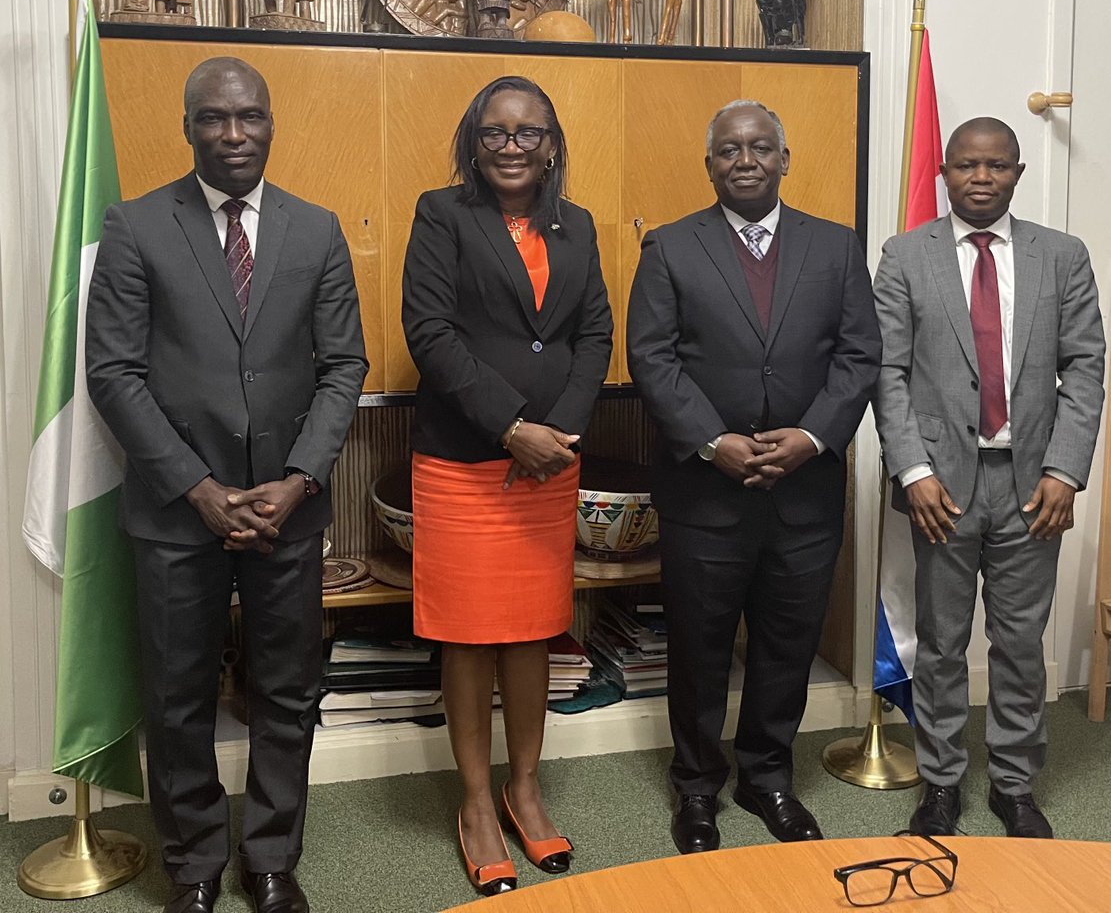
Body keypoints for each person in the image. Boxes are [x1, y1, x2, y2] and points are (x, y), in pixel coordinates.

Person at [85, 57, 368, 913]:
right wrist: (199, 489)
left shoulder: (314, 229)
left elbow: (343, 365)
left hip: (287, 509)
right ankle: (197, 864)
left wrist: (297, 478)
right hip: (177, 516)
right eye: (214, 118)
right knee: (177, 700)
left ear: (271, 122)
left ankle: (272, 858)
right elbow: (114, 373)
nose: (234, 134)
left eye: (249, 117)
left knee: (287, 690)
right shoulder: (135, 227)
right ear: (188, 127)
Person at [626, 100, 880, 854]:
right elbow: (653, 357)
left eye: (760, 147)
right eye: (729, 150)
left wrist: (809, 436)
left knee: (786, 641)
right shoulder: (669, 248)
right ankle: (696, 787)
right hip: (706, 493)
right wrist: (713, 441)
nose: (745, 160)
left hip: (804, 491)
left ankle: (767, 776)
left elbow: (858, 355)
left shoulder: (834, 247)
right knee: (699, 646)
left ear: (783, 159)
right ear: (710, 165)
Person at [401, 75, 612, 897]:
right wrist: (508, 427)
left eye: (528, 133)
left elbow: (594, 330)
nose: (512, 146)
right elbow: (431, 330)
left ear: (551, 144)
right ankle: (477, 804)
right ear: (474, 141)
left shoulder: (579, 224)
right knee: (467, 632)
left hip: (550, 460)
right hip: (464, 458)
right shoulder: (440, 214)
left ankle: (526, 788)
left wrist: (555, 429)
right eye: (495, 132)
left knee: (530, 628)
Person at [873, 117, 1104, 840]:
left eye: (996, 166)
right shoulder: (904, 255)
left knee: (1018, 642)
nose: (980, 178)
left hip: (1032, 486)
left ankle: (1012, 783)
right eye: (966, 166)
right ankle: (939, 785)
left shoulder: (1061, 256)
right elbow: (886, 373)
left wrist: (1066, 470)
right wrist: (911, 470)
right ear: (943, 173)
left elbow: (1085, 367)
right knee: (941, 641)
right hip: (938, 486)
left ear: (1017, 172)